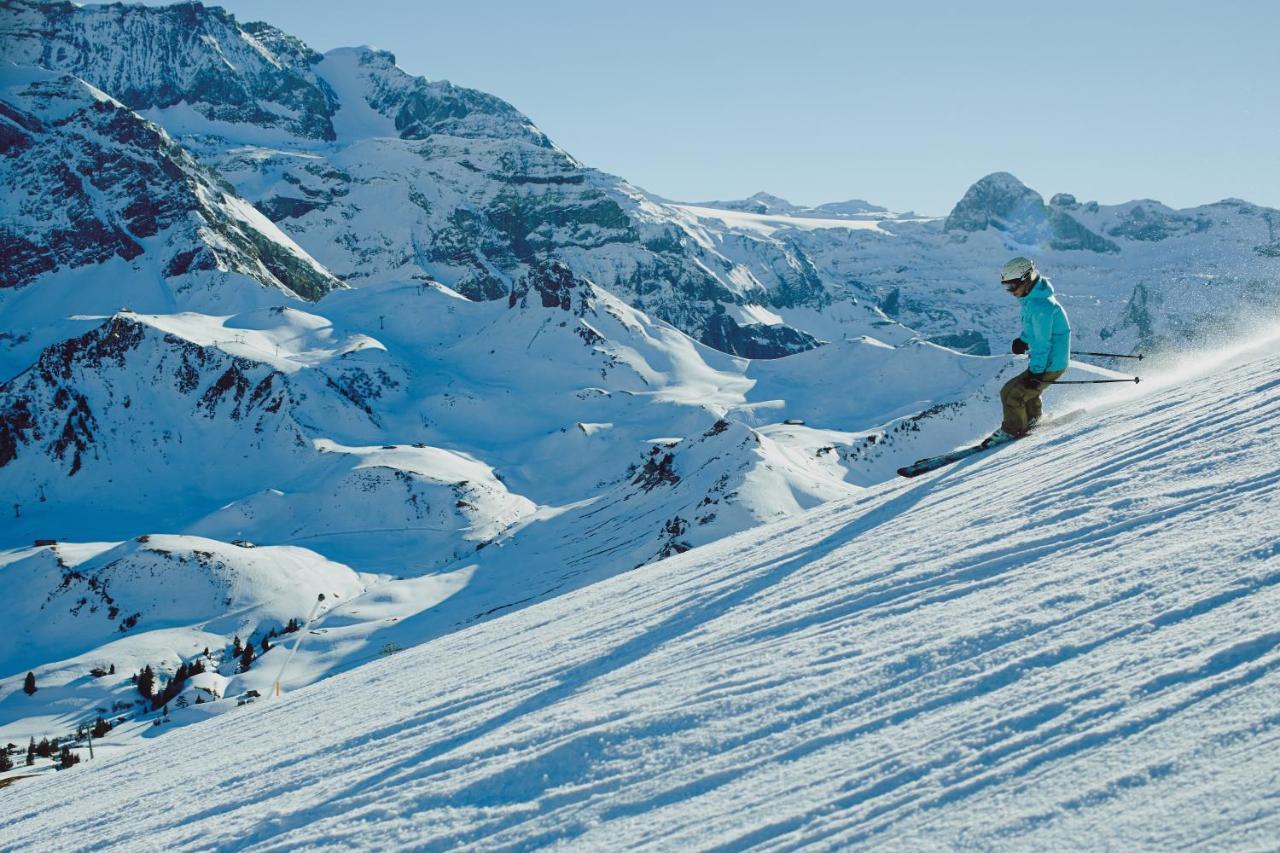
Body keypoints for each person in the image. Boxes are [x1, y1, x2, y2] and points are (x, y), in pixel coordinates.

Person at [988, 257, 1071, 444]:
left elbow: (1042, 345)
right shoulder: (1032, 299)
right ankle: (1032, 420)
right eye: (1006, 287)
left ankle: (1012, 430)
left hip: (1050, 363)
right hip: (1049, 361)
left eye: (1012, 286)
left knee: (1014, 395)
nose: (1011, 292)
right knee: (1015, 391)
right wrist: (1023, 340)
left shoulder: (1041, 306)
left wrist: (1036, 372)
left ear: (1027, 278)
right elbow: (1032, 330)